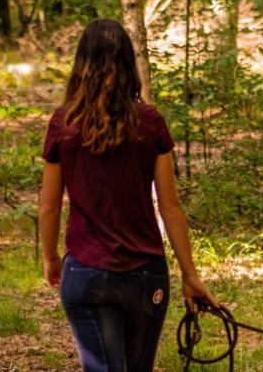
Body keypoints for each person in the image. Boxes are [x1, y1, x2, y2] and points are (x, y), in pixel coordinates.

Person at [39, 19, 218, 371]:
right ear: (128, 65)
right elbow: (170, 206)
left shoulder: (65, 124)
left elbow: (48, 206)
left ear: (81, 65)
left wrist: (50, 258)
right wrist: (189, 273)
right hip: (146, 275)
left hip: (87, 273)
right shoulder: (149, 122)